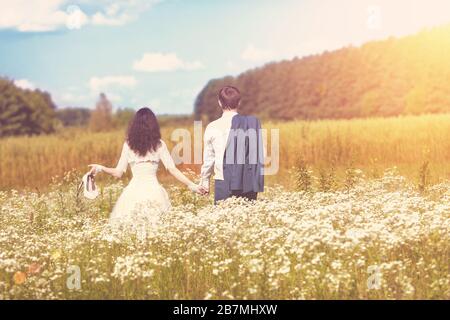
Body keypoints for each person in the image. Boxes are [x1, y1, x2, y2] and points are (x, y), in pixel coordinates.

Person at [89, 107, 206, 225]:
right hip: (154, 192)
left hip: (133, 192)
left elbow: (118, 172)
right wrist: (192, 185)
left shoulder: (128, 145)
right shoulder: (159, 145)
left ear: (135, 126)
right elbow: (173, 169)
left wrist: (101, 168)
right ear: (153, 125)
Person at [199, 86, 264, 204]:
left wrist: (205, 181)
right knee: (248, 220)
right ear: (239, 102)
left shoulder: (212, 127)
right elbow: (261, 153)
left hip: (223, 181)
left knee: (225, 220)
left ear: (219, 103)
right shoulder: (251, 124)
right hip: (248, 181)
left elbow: (209, 159)